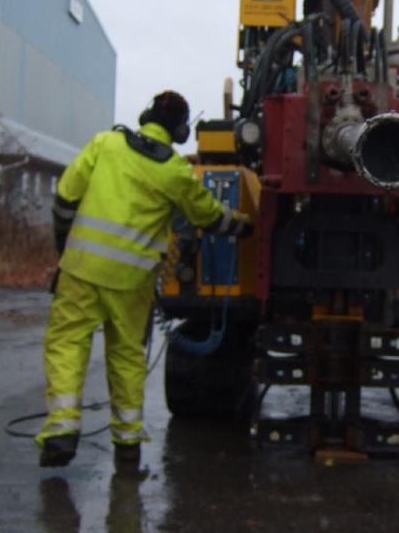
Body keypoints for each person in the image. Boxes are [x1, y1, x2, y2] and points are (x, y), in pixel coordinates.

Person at [36, 90, 253, 471]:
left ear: (145, 115)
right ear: (182, 131)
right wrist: (244, 224)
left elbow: (65, 199)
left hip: (80, 271)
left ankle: (61, 430)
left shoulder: (105, 144)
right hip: (132, 281)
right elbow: (207, 216)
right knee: (126, 356)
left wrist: (64, 253)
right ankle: (128, 446)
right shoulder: (173, 172)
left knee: (67, 343)